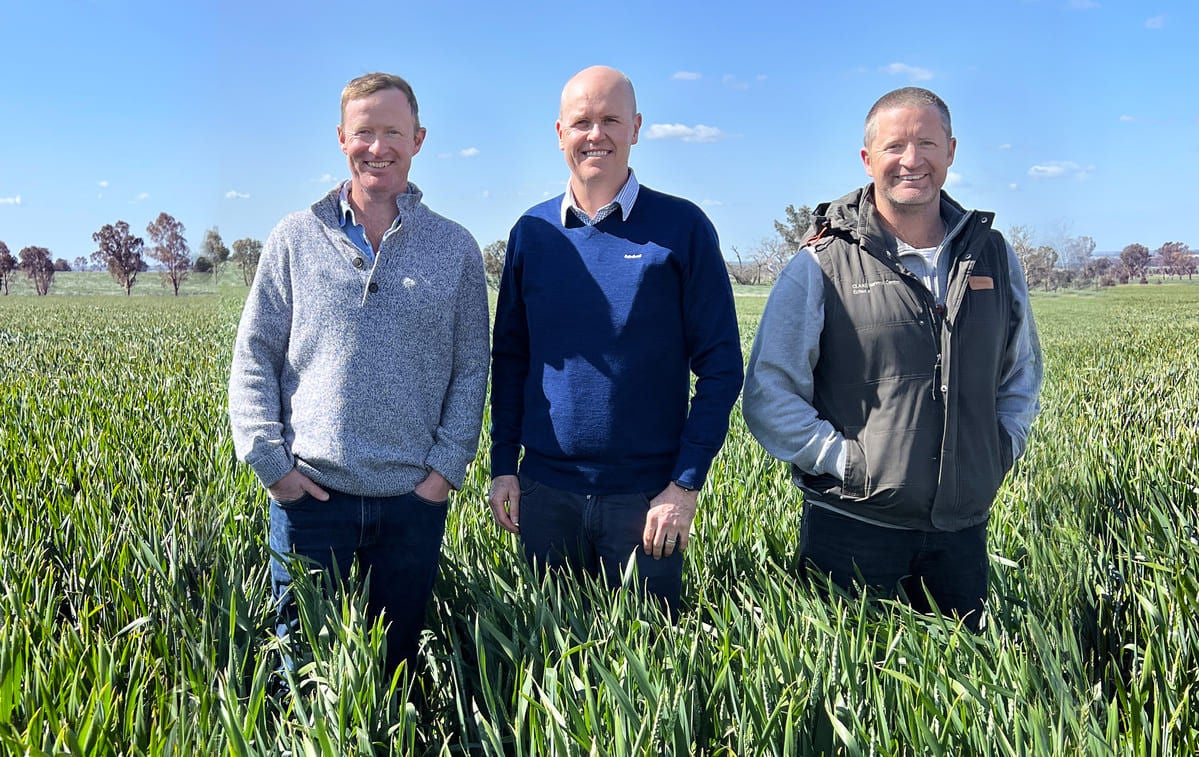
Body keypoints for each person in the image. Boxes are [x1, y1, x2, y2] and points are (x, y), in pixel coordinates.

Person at [743, 87, 1042, 631]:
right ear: (867, 159)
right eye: (895, 145)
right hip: (852, 526)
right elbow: (769, 393)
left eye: (927, 143)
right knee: (850, 697)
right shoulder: (821, 262)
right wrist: (846, 463)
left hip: (961, 531)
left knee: (962, 698)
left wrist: (1000, 448)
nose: (912, 160)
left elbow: (1020, 372)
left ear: (951, 150)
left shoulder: (993, 255)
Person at [228, 72, 489, 675]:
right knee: (305, 672)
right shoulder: (295, 237)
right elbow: (254, 357)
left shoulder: (455, 248)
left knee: (394, 672)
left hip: (412, 504)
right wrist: (274, 468)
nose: (379, 147)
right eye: (364, 132)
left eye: (393, 131)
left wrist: (443, 475)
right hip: (311, 501)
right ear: (341, 137)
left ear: (418, 139)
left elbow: (472, 368)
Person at [487, 65, 743, 617]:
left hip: (647, 500)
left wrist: (684, 485)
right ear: (560, 134)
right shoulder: (531, 233)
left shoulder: (682, 227)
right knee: (548, 657)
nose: (595, 134)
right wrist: (503, 464)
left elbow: (721, 365)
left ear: (636, 128)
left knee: (645, 671)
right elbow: (510, 356)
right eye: (582, 122)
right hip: (544, 492)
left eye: (610, 120)